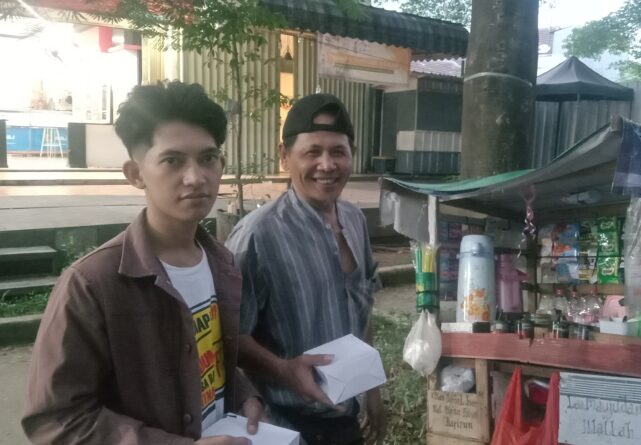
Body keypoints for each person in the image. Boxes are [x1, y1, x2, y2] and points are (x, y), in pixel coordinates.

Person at [22, 81, 264, 445]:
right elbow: (57, 419)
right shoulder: (92, 284)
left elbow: (208, 359)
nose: (196, 177)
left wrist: (244, 394)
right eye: (172, 161)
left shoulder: (220, 262)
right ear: (136, 174)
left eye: (208, 158)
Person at [227, 93, 386, 445]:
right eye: (312, 152)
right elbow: (229, 338)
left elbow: (362, 310)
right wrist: (284, 370)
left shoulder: (355, 220)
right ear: (285, 156)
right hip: (285, 426)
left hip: (346, 420)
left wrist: (372, 390)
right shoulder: (258, 236)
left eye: (338, 152)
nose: (326, 165)